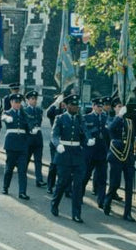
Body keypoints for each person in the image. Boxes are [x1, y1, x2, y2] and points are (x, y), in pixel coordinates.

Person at [50, 94, 93, 222]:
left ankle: (76, 214)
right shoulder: (60, 118)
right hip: (64, 153)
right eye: (73, 105)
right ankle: (55, 203)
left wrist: (89, 138)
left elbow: (85, 130)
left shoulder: (80, 119)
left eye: (77, 105)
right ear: (66, 105)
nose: (76, 107)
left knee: (78, 185)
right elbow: (54, 135)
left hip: (77, 154)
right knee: (63, 182)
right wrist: (58, 145)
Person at [104, 96, 136, 221]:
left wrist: (135, 157)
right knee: (115, 183)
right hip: (116, 156)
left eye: (122, 106)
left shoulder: (129, 122)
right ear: (114, 108)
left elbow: (134, 141)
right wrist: (119, 116)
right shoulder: (111, 119)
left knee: (129, 186)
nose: (121, 108)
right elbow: (110, 129)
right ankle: (107, 201)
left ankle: (127, 213)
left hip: (128, 156)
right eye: (118, 106)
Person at [1, 93, 31, 200]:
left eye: (19, 102)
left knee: (22, 170)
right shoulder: (7, 113)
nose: (18, 104)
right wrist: (6, 118)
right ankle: (5, 187)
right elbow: (3, 116)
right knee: (9, 168)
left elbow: (29, 125)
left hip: (22, 145)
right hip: (11, 144)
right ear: (11, 103)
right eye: (16, 102)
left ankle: (22, 192)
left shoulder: (24, 113)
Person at [83, 97, 109, 209]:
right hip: (90, 152)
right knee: (85, 175)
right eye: (98, 106)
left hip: (102, 152)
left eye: (101, 106)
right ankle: (79, 196)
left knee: (102, 178)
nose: (100, 108)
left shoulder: (105, 118)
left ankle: (101, 200)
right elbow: (84, 132)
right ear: (93, 106)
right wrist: (88, 139)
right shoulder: (86, 118)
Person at [24, 90, 47, 187]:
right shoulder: (24, 110)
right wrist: (30, 129)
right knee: (26, 159)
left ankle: (39, 179)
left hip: (38, 138)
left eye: (35, 99)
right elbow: (25, 123)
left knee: (38, 160)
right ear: (28, 100)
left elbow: (39, 121)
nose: (34, 101)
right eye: (32, 99)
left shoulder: (39, 110)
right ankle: (23, 175)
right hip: (28, 138)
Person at [45, 94, 66, 195]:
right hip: (55, 142)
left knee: (66, 166)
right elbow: (48, 113)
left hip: (66, 142)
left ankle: (66, 188)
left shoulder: (67, 111)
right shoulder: (55, 112)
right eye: (61, 102)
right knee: (54, 164)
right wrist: (56, 103)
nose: (63, 104)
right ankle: (50, 185)